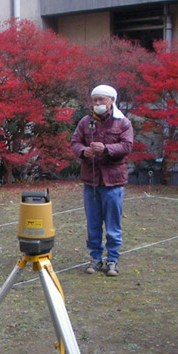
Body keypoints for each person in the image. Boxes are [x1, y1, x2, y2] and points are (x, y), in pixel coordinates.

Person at [70, 84, 134, 276]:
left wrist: (106, 149)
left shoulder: (123, 122)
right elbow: (75, 143)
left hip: (113, 181)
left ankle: (112, 260)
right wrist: (83, 151)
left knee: (113, 224)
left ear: (111, 101)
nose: (97, 103)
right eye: (94, 99)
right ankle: (95, 258)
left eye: (101, 99)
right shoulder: (85, 122)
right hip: (91, 181)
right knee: (93, 223)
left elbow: (127, 146)